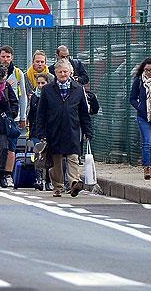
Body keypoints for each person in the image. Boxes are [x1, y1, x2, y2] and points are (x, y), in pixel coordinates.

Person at [36, 58, 92, 198]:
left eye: (65, 71)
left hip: (72, 128)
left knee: (73, 156)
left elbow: (84, 112)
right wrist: (41, 131)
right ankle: (58, 186)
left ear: (70, 72)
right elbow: (41, 113)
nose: (63, 74)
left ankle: (74, 183)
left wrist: (88, 131)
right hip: (53, 129)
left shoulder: (78, 89)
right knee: (56, 159)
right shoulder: (48, 90)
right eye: (60, 72)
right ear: (55, 73)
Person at [0, 45, 27, 180]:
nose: (5, 59)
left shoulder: (17, 73)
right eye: (3, 56)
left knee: (11, 146)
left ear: (12, 58)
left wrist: (22, 116)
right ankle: (0, 170)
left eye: (8, 57)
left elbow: (23, 95)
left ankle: (8, 174)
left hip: (13, 116)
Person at [26, 71, 54, 190]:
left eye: (43, 83)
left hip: (50, 130)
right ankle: (38, 179)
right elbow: (31, 113)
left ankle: (48, 180)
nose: (41, 85)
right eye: (38, 83)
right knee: (37, 154)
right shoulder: (34, 97)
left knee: (48, 156)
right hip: (36, 130)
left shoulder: (52, 97)